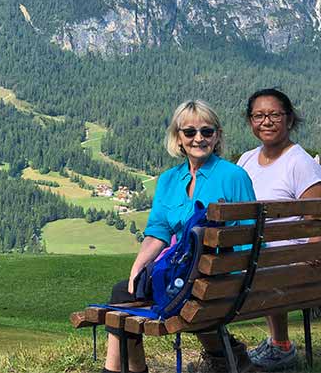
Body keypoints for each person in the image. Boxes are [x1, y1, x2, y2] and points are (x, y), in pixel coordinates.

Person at [103, 100, 256, 373]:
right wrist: (138, 267)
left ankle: (123, 370)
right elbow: (158, 231)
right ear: (178, 138)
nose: (199, 138)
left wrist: (225, 274)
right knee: (125, 290)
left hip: (218, 281)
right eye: (190, 132)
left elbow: (249, 237)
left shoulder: (233, 176)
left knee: (121, 296)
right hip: (186, 276)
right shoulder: (169, 180)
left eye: (207, 132)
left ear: (217, 135)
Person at [237, 88, 321, 372]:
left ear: (289, 120)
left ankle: (279, 345)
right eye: (259, 115)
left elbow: (318, 221)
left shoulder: (300, 163)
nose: (266, 121)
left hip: (281, 259)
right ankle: (275, 344)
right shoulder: (246, 159)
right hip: (259, 254)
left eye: (274, 114)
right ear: (251, 121)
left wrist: (310, 259)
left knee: (260, 262)